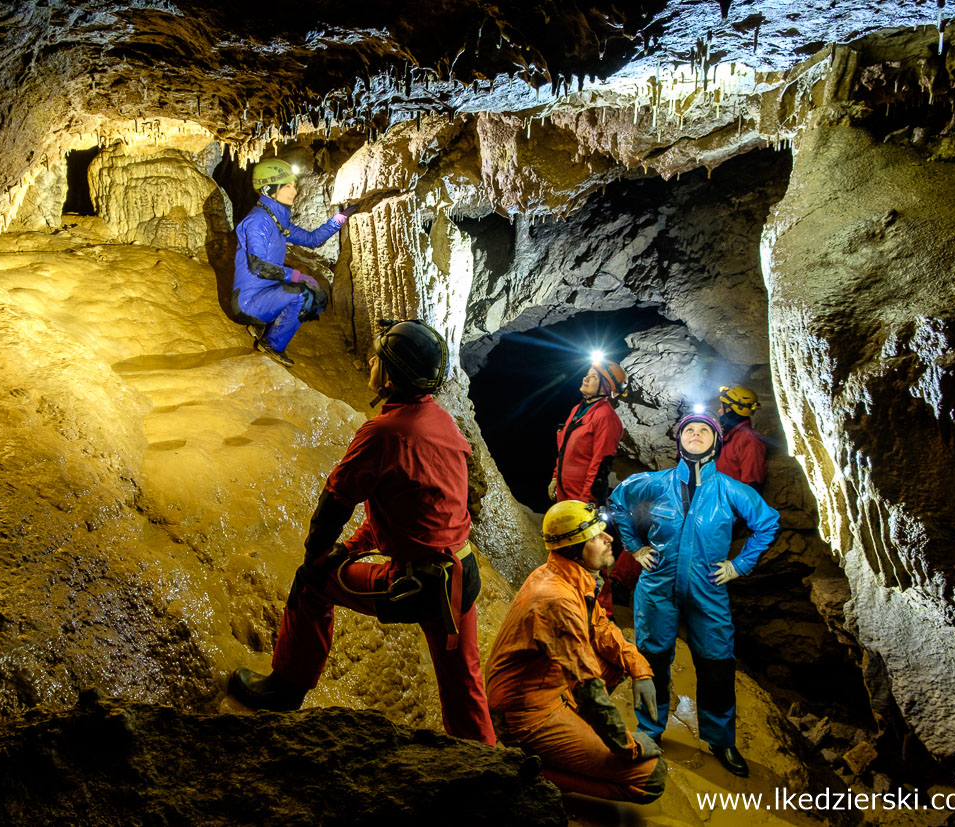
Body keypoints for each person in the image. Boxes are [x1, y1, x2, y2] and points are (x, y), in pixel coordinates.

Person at [229, 319, 496, 745]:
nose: (371, 362)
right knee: (465, 684)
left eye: (378, 358)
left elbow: (336, 500)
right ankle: (488, 765)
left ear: (389, 375)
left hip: (421, 583)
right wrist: (351, 548)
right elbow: (408, 513)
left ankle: (285, 689)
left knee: (313, 584)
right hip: (461, 574)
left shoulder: (383, 433)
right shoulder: (439, 420)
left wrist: (318, 556)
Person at [608, 411, 779, 778]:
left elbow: (768, 522)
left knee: (717, 662)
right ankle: (650, 729)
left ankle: (720, 739)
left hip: (708, 586)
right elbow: (619, 501)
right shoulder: (656, 483)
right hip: (658, 585)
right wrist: (635, 546)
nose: (697, 435)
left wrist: (739, 565)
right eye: (690, 430)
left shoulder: (730, 490)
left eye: (705, 431)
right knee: (652, 659)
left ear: (716, 442)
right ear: (679, 441)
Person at [485, 500, 666, 803]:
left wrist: (640, 669)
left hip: (545, 687)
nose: (609, 538)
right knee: (649, 776)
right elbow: (588, 687)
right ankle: (527, 771)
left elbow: (602, 630)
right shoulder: (556, 598)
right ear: (575, 549)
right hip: (526, 712)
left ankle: (572, 740)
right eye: (597, 536)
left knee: (615, 661)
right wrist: (628, 745)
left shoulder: (565, 575)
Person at [232, 158, 347, 367]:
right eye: (287, 186)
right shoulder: (258, 221)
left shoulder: (278, 221)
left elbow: (313, 240)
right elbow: (257, 265)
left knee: (317, 299)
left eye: (294, 186)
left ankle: (262, 324)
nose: (294, 192)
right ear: (268, 189)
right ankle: (272, 345)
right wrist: (295, 275)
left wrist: (340, 218)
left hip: (265, 294)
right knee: (306, 294)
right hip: (247, 303)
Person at [550, 357, 628, 616]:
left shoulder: (606, 417)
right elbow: (565, 450)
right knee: (568, 550)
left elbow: (600, 466)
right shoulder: (579, 409)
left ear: (606, 387)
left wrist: (585, 504)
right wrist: (554, 477)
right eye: (586, 374)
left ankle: (602, 612)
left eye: (593, 377)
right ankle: (570, 599)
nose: (585, 378)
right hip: (566, 493)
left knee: (592, 554)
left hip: (584, 499)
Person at [715, 385, 767, 492]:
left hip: (730, 506)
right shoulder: (728, 437)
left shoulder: (749, 441)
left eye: (721, 408)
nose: (719, 411)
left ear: (729, 409)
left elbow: (751, 487)